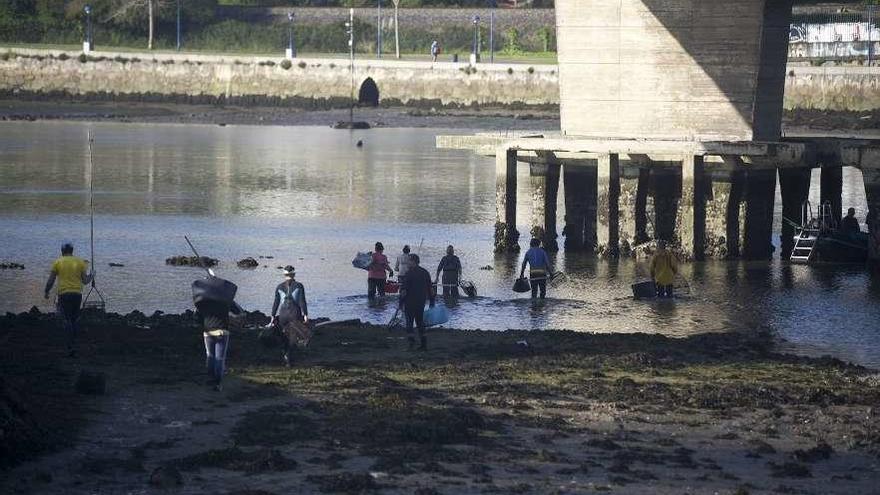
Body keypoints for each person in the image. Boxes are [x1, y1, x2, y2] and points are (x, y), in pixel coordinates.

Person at [44, 242, 93, 357]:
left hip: (64, 294)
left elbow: (51, 280)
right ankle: (73, 343)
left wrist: (46, 291)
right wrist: (92, 275)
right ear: (72, 251)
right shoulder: (80, 262)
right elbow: (85, 281)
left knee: (66, 319)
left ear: (62, 251)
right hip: (77, 294)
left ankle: (70, 345)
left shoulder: (58, 262)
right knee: (74, 319)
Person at [194, 283, 242, 392]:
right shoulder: (226, 300)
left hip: (208, 331)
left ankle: (210, 379)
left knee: (210, 356)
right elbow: (239, 311)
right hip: (222, 331)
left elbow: (196, 317)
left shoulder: (203, 300)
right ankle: (218, 383)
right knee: (220, 358)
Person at [270, 265, 309, 367]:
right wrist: (305, 314)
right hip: (294, 313)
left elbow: (276, 302)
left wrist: (273, 316)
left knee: (284, 335)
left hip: (282, 314)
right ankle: (289, 356)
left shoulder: (279, 287)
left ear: (284, 275)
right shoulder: (299, 286)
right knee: (293, 335)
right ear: (294, 274)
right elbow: (302, 301)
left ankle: (285, 354)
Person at [400, 254, 435, 351]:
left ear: (413, 261)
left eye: (408, 261)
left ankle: (411, 344)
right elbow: (431, 289)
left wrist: (400, 302)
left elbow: (404, 291)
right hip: (421, 302)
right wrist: (432, 302)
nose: (407, 263)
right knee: (420, 323)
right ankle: (424, 344)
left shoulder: (409, 274)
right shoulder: (425, 272)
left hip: (410, 302)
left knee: (409, 323)